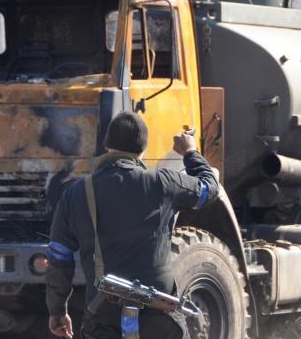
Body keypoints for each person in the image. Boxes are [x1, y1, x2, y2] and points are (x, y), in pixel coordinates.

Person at [45, 111, 219, 339]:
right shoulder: (163, 183)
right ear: (142, 150)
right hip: (159, 318)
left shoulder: (76, 193)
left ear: (106, 145)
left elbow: (59, 258)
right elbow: (209, 189)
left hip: (103, 317)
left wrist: (57, 310)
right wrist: (190, 151)